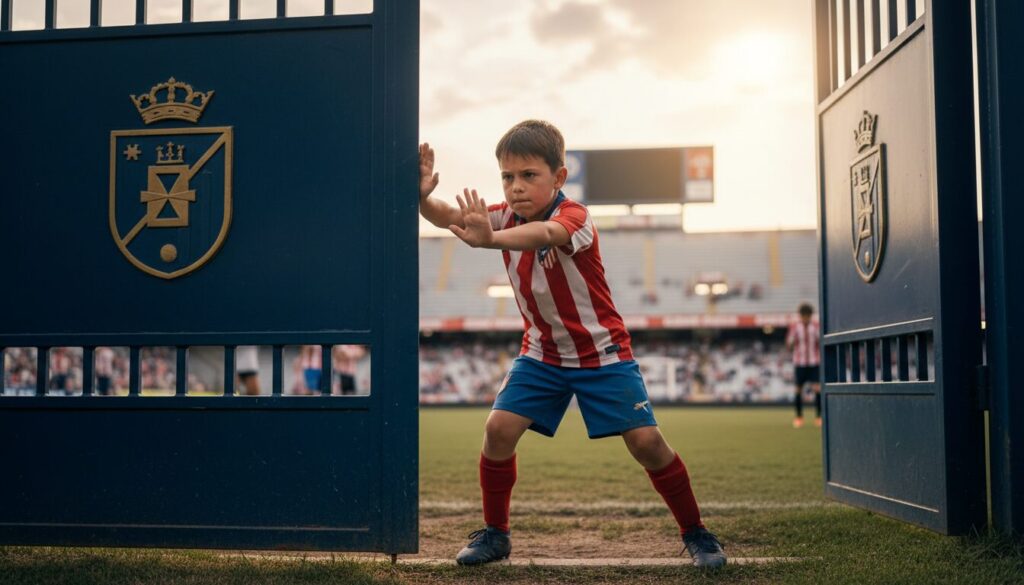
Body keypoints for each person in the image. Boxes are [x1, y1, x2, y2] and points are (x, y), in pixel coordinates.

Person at [418, 120, 726, 569]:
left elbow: (545, 236)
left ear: (558, 178)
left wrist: (490, 241)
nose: (516, 187)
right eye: (508, 177)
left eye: (529, 175)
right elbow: (447, 215)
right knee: (498, 431)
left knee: (646, 443)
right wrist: (423, 197)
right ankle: (496, 535)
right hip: (541, 354)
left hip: (602, 354)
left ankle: (696, 533)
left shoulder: (575, 217)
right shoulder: (502, 216)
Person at [785, 303, 821, 428]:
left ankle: (819, 417)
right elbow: (789, 345)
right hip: (799, 363)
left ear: (811, 316)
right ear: (800, 316)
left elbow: (820, 342)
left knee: (817, 389)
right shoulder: (795, 327)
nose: (805, 318)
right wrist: (792, 342)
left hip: (814, 362)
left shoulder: (816, 326)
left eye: (807, 316)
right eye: (803, 316)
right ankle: (799, 417)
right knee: (798, 390)